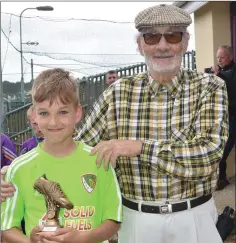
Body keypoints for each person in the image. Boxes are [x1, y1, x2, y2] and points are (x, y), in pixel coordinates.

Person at [1, 4, 229, 243]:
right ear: (140, 45)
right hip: (136, 220)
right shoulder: (118, 93)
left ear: (185, 42)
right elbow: (74, 147)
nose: (162, 45)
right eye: (151, 37)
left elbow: (208, 156)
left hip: (194, 217)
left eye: (173, 35)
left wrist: (137, 147)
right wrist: (9, 175)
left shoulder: (210, 87)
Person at [1, 68, 122, 243]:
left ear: (78, 113)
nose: (53, 122)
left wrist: (83, 238)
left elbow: (114, 220)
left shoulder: (98, 160)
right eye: (44, 113)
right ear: (34, 115)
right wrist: (30, 241)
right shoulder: (19, 168)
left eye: (63, 112)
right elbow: (7, 228)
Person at [211, 46, 236, 190]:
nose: (219, 60)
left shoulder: (232, 71)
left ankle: (222, 179)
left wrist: (218, 75)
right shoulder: (222, 71)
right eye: (218, 57)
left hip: (233, 116)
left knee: (225, 148)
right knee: (222, 150)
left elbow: (230, 86)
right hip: (226, 117)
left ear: (230, 57)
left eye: (222, 57)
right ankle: (222, 178)